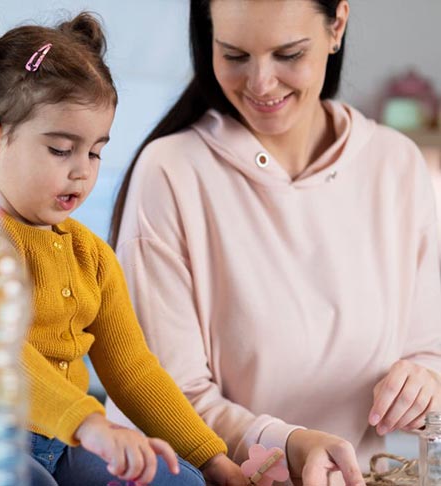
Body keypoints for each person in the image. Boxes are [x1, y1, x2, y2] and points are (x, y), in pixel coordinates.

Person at [105, 0, 441, 485]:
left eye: (288, 54)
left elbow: (428, 353)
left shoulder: (397, 165)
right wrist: (288, 444)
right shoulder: (171, 173)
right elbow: (162, 397)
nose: (260, 83)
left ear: (336, 27)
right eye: (235, 56)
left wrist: (422, 385)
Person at [0, 11, 248, 486]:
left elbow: (132, 371)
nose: (82, 172)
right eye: (60, 149)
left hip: (68, 443)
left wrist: (213, 459)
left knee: (184, 482)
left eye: (94, 151)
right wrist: (91, 424)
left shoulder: (90, 255)